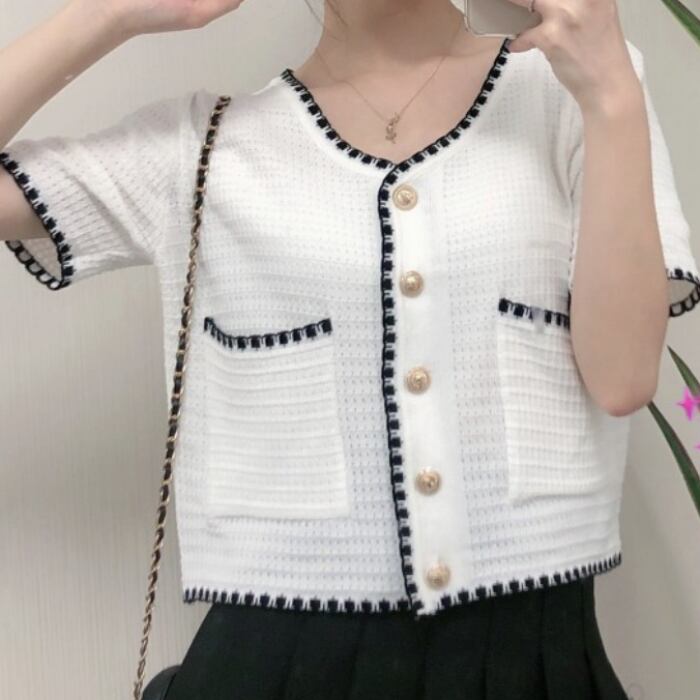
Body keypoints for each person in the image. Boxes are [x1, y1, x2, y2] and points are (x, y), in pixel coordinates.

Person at [2, 0, 699, 698]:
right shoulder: (200, 149)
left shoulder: (578, 92)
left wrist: (611, 92)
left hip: (534, 664)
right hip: (269, 672)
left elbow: (623, 379)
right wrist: (111, 14)